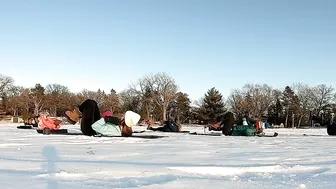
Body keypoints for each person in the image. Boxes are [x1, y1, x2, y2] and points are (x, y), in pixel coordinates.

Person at [64, 99, 140, 137]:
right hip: (95, 124)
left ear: (126, 120)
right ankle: (78, 114)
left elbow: (95, 127)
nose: (122, 116)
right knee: (93, 103)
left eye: (124, 116)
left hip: (90, 130)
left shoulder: (115, 130)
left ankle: (77, 115)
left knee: (91, 103)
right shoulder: (120, 126)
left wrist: (106, 119)